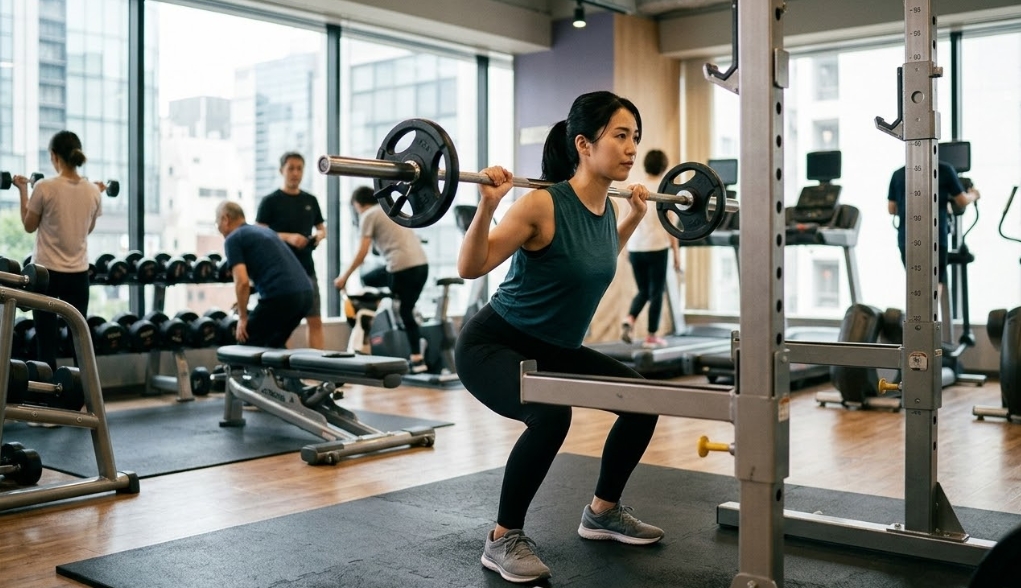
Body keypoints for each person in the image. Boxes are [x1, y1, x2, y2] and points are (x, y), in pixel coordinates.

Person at [454, 91, 663, 584]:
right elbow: (470, 267)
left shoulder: (606, 209)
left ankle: (602, 512)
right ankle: (503, 538)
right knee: (550, 416)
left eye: (636, 137)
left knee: (642, 399)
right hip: (495, 344)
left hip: (555, 349)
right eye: (620, 136)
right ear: (584, 145)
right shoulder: (541, 204)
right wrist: (487, 207)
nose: (631, 147)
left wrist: (632, 218)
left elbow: (592, 261)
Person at [14, 130, 105, 372]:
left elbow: (28, 225)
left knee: (47, 344)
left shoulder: (44, 187)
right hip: (78, 277)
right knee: (79, 343)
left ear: (54, 156)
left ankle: (48, 403)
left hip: (46, 276)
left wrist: (23, 189)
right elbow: (87, 229)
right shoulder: (93, 191)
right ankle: (87, 405)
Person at [334, 186, 429, 371]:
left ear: (357, 204)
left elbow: (362, 252)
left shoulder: (368, 215)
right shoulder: (390, 211)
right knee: (406, 311)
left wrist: (343, 278)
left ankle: (380, 301)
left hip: (401, 268)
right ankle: (418, 359)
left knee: (367, 278)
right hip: (422, 266)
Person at [216, 200, 313, 348]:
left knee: (245, 344)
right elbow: (272, 269)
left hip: (281, 297)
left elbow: (241, 282)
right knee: (273, 347)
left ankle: (236, 370)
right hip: (305, 295)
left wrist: (242, 317)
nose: (218, 228)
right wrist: (246, 298)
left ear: (226, 219)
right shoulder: (264, 231)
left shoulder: (233, 239)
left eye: (217, 222)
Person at [256, 152, 326, 348]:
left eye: (299, 168)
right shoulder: (270, 201)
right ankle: (285, 372)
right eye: (291, 168)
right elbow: (259, 232)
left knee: (315, 320)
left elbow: (321, 228)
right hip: (282, 274)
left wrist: (319, 236)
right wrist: (289, 237)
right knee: (284, 324)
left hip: (307, 268)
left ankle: (316, 370)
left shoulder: (310, 200)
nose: (295, 173)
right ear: (281, 171)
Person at [887, 160, 980, 294]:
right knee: (935, 283)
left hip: (907, 238)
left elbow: (891, 209)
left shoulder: (898, 174)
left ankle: (918, 314)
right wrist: (974, 195)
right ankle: (931, 315)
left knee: (916, 283)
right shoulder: (945, 170)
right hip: (935, 237)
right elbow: (962, 201)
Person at [620, 149, 681, 348]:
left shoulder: (636, 188)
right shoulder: (665, 193)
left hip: (636, 247)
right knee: (656, 292)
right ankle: (651, 336)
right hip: (657, 248)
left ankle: (630, 318)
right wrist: (676, 255)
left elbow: (628, 220)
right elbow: (671, 227)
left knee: (643, 290)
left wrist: (627, 248)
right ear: (664, 167)